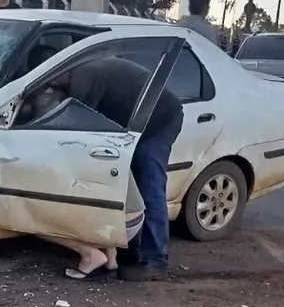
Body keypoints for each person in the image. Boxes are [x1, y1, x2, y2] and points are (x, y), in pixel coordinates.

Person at [50, 56, 184, 282]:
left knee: (150, 188)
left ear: (60, 72)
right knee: (130, 187)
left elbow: (78, 123)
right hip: (139, 123)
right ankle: (131, 252)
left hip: (159, 121)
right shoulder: (85, 72)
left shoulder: (84, 78)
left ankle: (156, 261)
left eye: (52, 83)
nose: (53, 88)